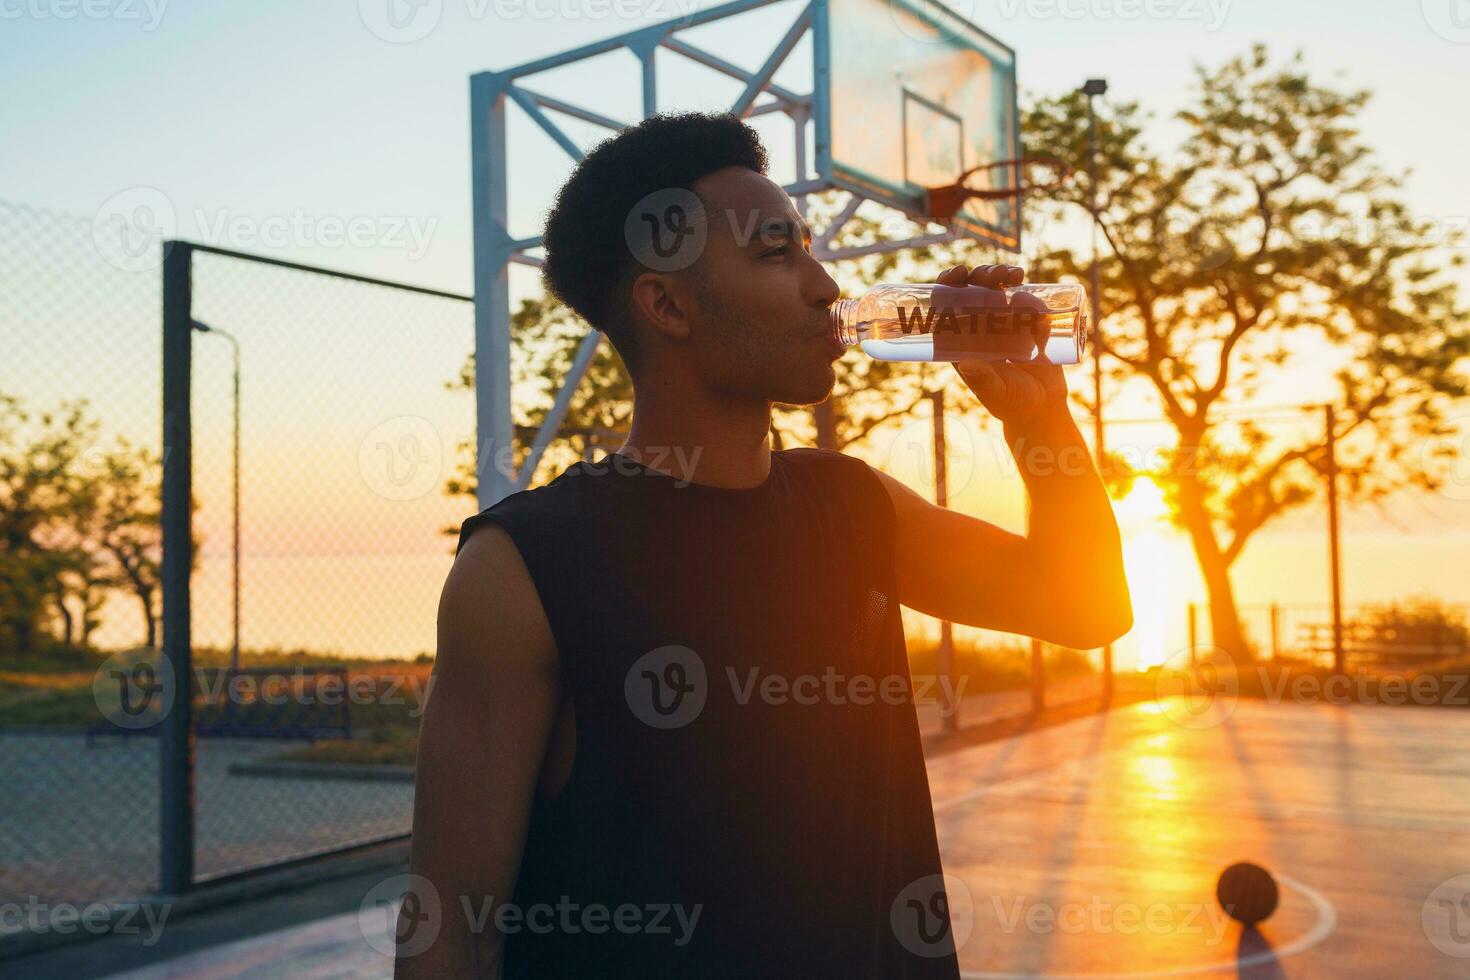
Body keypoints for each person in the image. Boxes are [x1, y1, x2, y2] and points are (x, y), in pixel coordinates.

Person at [399, 111, 1131, 978]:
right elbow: (453, 931)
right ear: (667, 303)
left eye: (809, 249)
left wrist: (1041, 421)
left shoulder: (853, 506)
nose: (825, 287)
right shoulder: (523, 566)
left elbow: (1085, 606)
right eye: (775, 254)